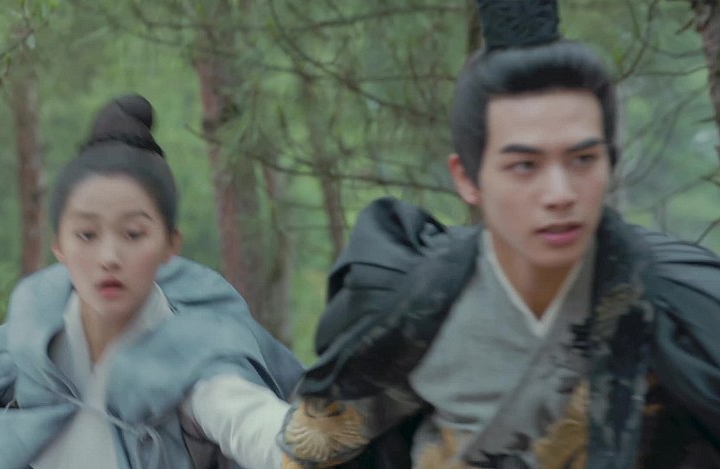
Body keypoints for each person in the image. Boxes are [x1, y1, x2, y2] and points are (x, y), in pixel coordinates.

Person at [278, 1, 720, 468]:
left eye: (583, 159)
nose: (560, 194)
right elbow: (315, 450)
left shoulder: (679, 313)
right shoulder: (412, 306)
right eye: (525, 165)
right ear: (467, 178)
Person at [0, 94, 302, 469]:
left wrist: (304, 445)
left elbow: (250, 421)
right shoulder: (25, 350)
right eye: (86, 235)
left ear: (170, 245)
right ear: (59, 246)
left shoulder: (196, 354)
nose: (109, 257)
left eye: (133, 234)